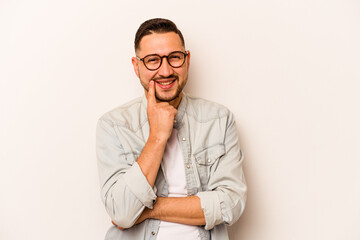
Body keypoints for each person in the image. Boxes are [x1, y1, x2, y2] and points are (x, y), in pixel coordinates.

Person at [96, 18, 247, 240]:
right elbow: (122, 212)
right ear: (136, 66)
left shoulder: (219, 119)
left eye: (174, 58)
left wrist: (149, 209)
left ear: (187, 60)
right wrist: (157, 137)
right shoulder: (114, 125)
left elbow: (231, 204)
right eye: (152, 60)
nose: (165, 71)